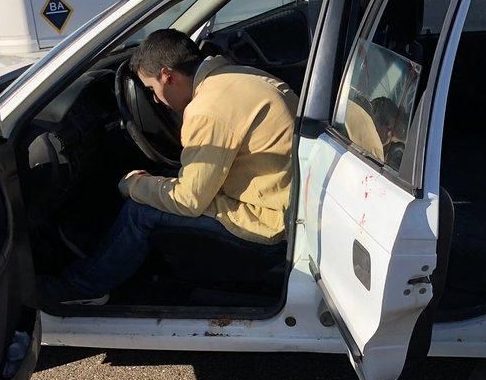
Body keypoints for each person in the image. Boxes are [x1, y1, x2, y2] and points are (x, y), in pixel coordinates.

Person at [42, 31, 297, 305]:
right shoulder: (234, 76)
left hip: (265, 228)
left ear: (167, 76)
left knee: (139, 210)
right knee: (161, 186)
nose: (154, 100)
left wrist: (133, 185)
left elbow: (189, 201)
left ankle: (84, 288)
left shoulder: (207, 110)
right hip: (283, 209)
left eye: (152, 90)